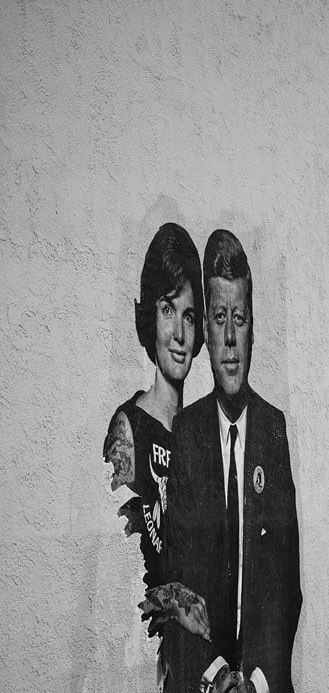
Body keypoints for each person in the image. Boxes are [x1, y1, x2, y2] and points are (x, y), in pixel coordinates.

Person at [159, 228, 307, 693]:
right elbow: (178, 579)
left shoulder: (273, 429)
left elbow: (285, 589)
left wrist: (257, 683)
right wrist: (221, 677)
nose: (227, 340)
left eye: (238, 320)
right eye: (216, 319)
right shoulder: (187, 434)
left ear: (253, 330)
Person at [103, 223, 208, 623]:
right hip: (151, 647)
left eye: (189, 315)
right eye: (168, 309)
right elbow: (128, 567)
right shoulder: (128, 429)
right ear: (150, 315)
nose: (180, 334)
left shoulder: (200, 436)